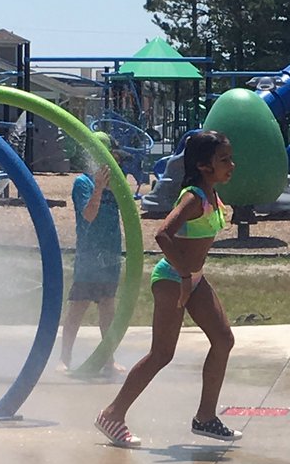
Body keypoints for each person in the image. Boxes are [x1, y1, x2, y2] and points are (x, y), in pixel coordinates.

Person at [94, 130, 239, 447]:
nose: (232, 164)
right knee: (161, 354)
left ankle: (205, 418)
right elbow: (162, 235)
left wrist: (192, 276)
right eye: (224, 159)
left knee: (224, 339)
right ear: (203, 165)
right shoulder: (193, 197)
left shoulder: (210, 194)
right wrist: (186, 277)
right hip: (173, 278)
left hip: (192, 277)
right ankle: (112, 415)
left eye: (230, 158)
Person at [59, 131, 124, 375]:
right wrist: (98, 188)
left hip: (111, 254)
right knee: (78, 307)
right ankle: (64, 358)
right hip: (89, 255)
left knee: (108, 308)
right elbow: (88, 215)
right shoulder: (83, 183)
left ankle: (108, 359)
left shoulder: (116, 185)